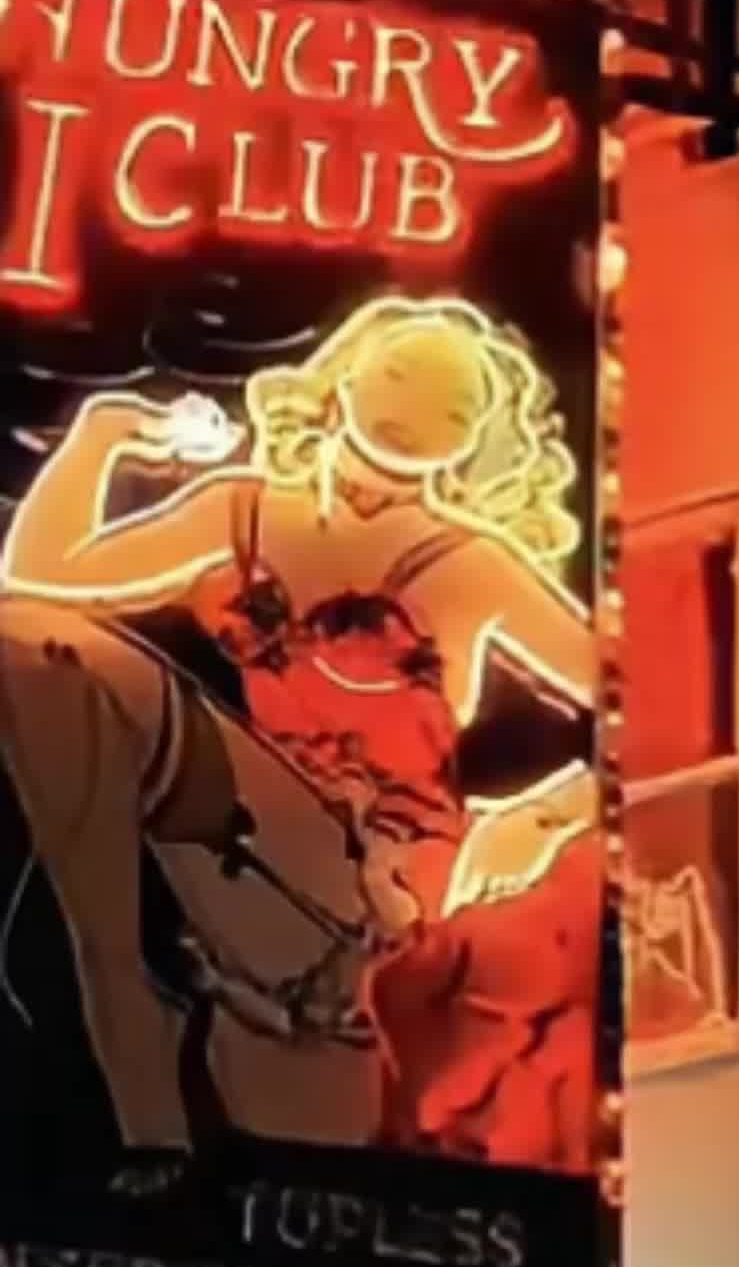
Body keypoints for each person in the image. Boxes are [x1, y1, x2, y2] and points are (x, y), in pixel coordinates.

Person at [0, 291, 599, 1158]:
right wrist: (101, 437)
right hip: (250, 810)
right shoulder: (242, 510)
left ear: (474, 437)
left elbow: (628, 699)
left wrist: (544, 817)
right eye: (399, 375)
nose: (415, 411)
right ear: (342, 378)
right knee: (38, 647)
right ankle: (113, 1003)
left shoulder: (473, 563)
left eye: (454, 406)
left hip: (390, 866)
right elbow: (38, 579)